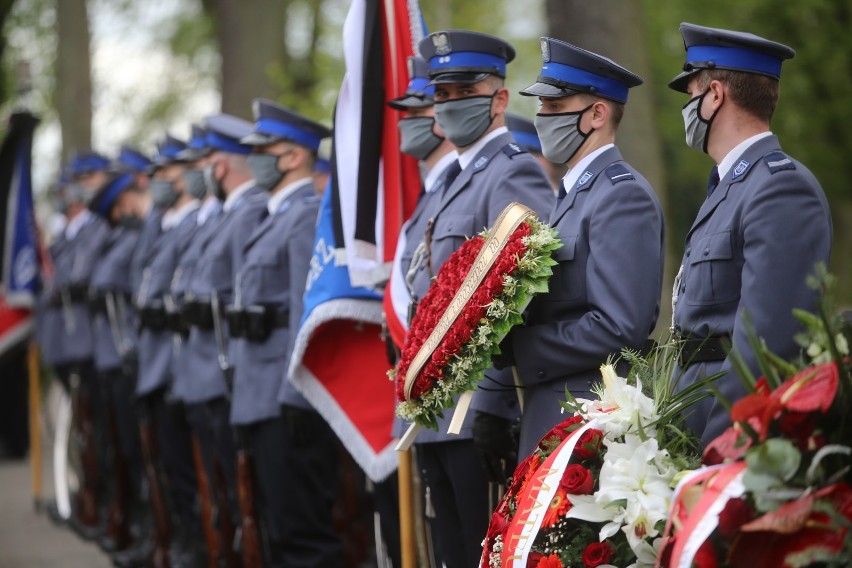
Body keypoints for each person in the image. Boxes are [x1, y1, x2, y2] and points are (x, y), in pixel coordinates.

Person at [408, 29, 554, 567]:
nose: (447, 106)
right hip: (437, 414)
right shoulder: (451, 183)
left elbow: (518, 295)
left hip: (477, 413)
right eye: (440, 95)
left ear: (497, 99)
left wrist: (494, 406)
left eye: (462, 92)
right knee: (448, 554)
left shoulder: (512, 169)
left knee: (479, 553)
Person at [495, 37, 665, 457]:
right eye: (541, 108)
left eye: (554, 108)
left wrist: (520, 347)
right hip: (554, 413)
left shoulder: (621, 196)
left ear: (597, 114)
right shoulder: (572, 195)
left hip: (589, 420)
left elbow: (619, 325)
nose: (541, 118)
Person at [668, 23, 832, 445]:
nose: (687, 108)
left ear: (716, 95)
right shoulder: (729, 185)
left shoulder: (779, 186)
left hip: (726, 437)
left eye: (691, 95)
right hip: (691, 423)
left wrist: (717, 448)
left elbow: (766, 345)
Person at [232, 100, 343, 567]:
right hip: (259, 395)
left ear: (294, 155)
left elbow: (308, 311)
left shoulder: (304, 216)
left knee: (302, 537)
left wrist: (297, 395)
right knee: (275, 529)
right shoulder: (275, 215)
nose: (253, 157)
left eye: (264, 148)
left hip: (285, 398)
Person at [179, 112, 267, 565]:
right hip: (206, 372)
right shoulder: (224, 215)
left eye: (208, 158)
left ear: (221, 165)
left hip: (226, 372)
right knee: (220, 492)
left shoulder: (250, 211)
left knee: (243, 498)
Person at [131, 134, 204, 566]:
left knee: (193, 470)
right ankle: (178, 540)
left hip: (183, 366)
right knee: (170, 466)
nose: (157, 180)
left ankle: (195, 545)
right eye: (154, 173)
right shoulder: (160, 223)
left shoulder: (197, 221)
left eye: (166, 172)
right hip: (158, 364)